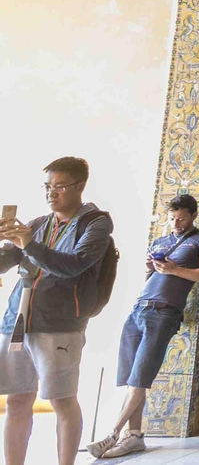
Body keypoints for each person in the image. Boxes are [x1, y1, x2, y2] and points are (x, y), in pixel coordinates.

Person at [1, 157, 114, 465]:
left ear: (79, 186)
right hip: (17, 321)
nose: (52, 193)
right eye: (48, 186)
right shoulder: (38, 224)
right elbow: (5, 263)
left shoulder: (96, 224)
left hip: (60, 324)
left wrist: (29, 244)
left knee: (62, 401)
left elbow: (73, 266)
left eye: (60, 186)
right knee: (17, 400)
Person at [89, 195, 199, 460]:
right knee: (129, 378)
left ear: (193, 215)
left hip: (164, 312)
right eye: (172, 218)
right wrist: (151, 268)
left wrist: (173, 270)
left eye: (182, 218)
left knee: (141, 377)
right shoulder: (161, 241)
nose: (177, 223)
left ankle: (113, 434)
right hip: (138, 309)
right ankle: (135, 436)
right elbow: (151, 278)